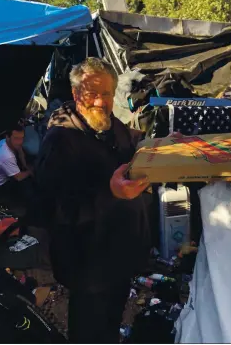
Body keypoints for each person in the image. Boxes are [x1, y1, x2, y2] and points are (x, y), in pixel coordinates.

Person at [35, 57, 151, 343]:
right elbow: (51, 209)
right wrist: (109, 194)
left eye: (107, 94)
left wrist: (160, 147)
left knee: (111, 321)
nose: (100, 102)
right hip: (87, 261)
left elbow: (129, 146)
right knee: (88, 329)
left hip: (120, 252)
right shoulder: (60, 139)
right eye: (92, 94)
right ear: (76, 95)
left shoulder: (110, 125)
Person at [0, 125, 33, 210]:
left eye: (22, 138)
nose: (20, 142)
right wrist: (31, 170)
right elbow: (19, 177)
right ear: (8, 137)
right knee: (25, 193)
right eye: (16, 138)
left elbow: (20, 149)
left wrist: (25, 165)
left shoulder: (4, 142)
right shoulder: (6, 155)